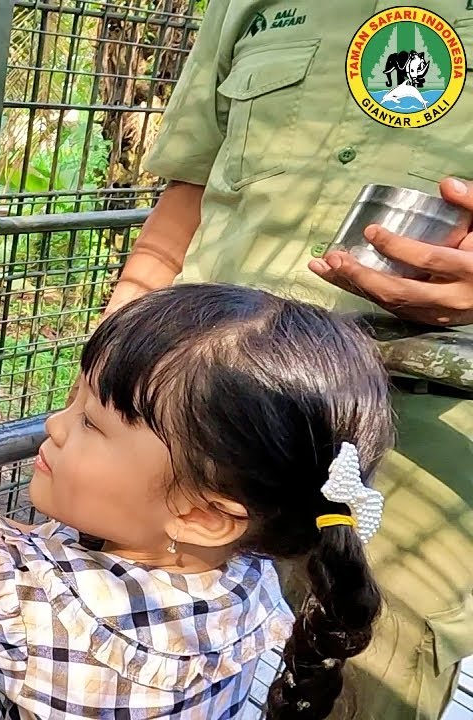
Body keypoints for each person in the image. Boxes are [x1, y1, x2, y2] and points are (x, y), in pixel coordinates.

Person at [0, 283, 396, 718]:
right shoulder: (244, 575)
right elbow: (15, 544)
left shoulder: (29, 608)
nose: (55, 425)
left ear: (200, 513)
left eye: (91, 423)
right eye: (73, 400)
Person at [128, 2, 473, 717]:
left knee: (360, 673)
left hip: (415, 418)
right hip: (194, 394)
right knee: (127, 636)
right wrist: (112, 360)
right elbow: (189, 188)